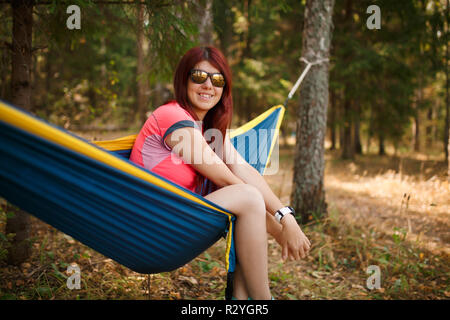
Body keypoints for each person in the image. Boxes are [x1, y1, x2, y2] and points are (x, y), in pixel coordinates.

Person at [129, 46, 311, 300]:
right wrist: (277, 228)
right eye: (198, 77)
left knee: (246, 201)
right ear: (183, 79)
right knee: (247, 199)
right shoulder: (172, 116)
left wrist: (285, 216)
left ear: (224, 89)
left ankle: (240, 298)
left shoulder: (207, 129)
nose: (207, 85)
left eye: (217, 80)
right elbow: (226, 180)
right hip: (153, 228)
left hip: (178, 218)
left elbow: (242, 169)